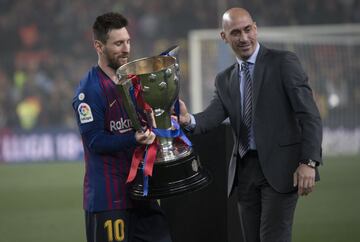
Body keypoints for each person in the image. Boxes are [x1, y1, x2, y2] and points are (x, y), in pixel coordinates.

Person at [179, 7, 323, 242]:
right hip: (244, 174)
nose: (244, 38)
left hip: (280, 170)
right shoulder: (225, 79)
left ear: (255, 28)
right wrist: (187, 119)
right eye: (235, 32)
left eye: (248, 30)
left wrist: (308, 161)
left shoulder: (283, 62)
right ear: (224, 37)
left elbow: (310, 115)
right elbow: (211, 117)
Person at [72, 12, 172, 242]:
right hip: (109, 200)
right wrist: (133, 139)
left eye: (128, 41)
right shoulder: (89, 92)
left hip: (142, 194)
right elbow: (95, 142)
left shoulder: (134, 81)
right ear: (98, 46)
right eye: (118, 43)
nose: (126, 48)